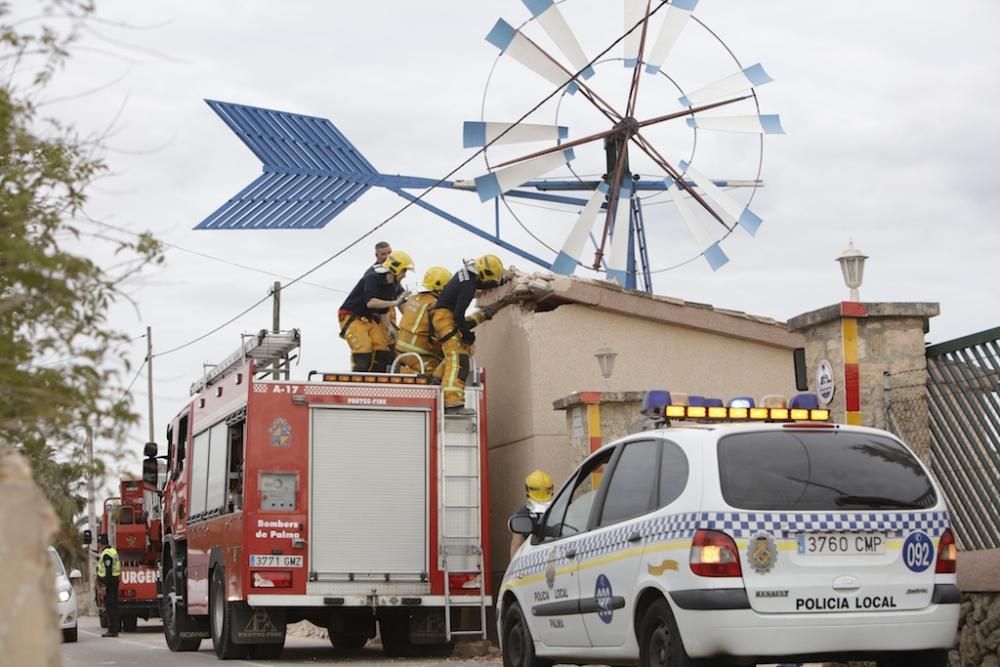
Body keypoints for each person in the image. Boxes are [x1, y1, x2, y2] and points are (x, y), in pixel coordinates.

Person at [430, 254, 505, 414]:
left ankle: (436, 379)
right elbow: (458, 315)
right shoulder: (469, 285)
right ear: (483, 274)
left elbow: (459, 316)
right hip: (445, 318)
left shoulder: (465, 275)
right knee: (458, 359)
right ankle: (452, 403)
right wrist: (467, 335)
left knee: (456, 353)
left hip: (442, 317)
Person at [339, 250, 413, 372]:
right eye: (404, 270)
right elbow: (371, 302)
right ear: (396, 269)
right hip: (352, 316)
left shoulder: (392, 284)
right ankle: (358, 382)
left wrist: (389, 327)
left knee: (382, 348)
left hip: (370, 318)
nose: (405, 275)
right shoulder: (372, 277)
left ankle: (376, 379)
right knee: (363, 348)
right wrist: (395, 302)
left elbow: (383, 311)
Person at [395, 267, 452, 376]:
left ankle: (401, 371)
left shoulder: (413, 298)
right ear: (440, 287)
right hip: (420, 352)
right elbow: (442, 329)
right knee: (436, 374)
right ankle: (406, 373)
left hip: (400, 350)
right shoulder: (435, 305)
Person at [510, 469, 554, 558]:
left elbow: (516, 544)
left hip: (532, 560)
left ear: (528, 490)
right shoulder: (559, 510)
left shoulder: (523, 514)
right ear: (551, 489)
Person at [97, 534, 121, 637]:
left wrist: (105, 585)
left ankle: (112, 630)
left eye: (99, 544)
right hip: (114, 581)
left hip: (110, 582)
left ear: (101, 544)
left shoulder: (107, 554)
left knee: (111, 607)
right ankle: (115, 628)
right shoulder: (113, 551)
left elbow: (108, 570)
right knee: (113, 606)